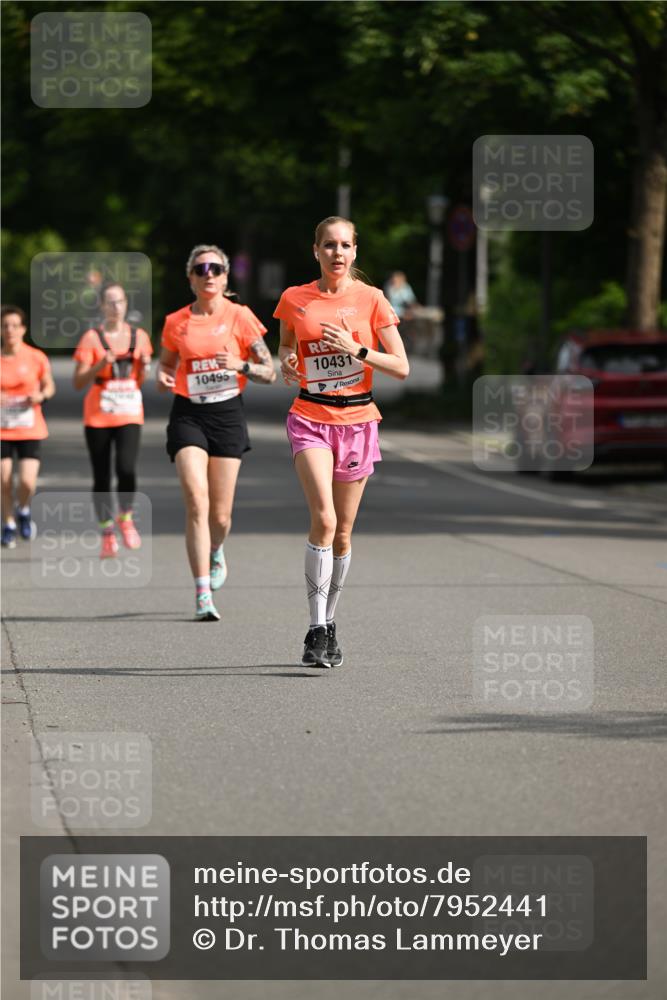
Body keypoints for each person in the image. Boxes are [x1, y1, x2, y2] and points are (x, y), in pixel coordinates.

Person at [275, 216, 409, 667]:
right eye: (329, 245)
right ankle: (314, 629)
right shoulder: (295, 298)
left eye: (345, 245)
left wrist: (357, 350)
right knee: (325, 519)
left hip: (359, 419)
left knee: (344, 532)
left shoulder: (371, 300)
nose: (337, 252)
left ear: (355, 252)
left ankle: (330, 621)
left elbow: (401, 365)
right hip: (310, 416)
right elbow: (286, 348)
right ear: (316, 251)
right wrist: (289, 363)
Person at [157, 244, 275, 621]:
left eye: (216, 268)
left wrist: (240, 364)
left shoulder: (240, 316)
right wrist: (162, 376)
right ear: (191, 278)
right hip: (188, 414)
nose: (209, 274)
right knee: (196, 500)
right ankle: (202, 593)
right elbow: (166, 364)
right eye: (201, 268)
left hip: (227, 416)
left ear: (226, 277)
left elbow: (269, 371)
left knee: (220, 517)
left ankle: (216, 548)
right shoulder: (176, 321)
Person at [73, 283, 153, 557]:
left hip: (129, 411)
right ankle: (107, 531)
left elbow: (140, 380)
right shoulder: (91, 338)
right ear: (102, 306)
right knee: (102, 476)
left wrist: (142, 366)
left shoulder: (139, 336)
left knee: (127, 468)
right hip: (98, 415)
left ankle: (126, 517)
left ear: (126, 304)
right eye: (109, 302)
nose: (115, 307)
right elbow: (78, 382)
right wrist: (99, 363)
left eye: (119, 301)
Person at [1, 305, 55, 547]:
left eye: (14, 325)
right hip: (2, 429)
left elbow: (49, 386)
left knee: (26, 482)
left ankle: (23, 508)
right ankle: (9, 524)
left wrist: (41, 396)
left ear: (23, 329)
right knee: (3, 479)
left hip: (29, 427)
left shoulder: (36, 357)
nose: (10, 330)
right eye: (5, 326)